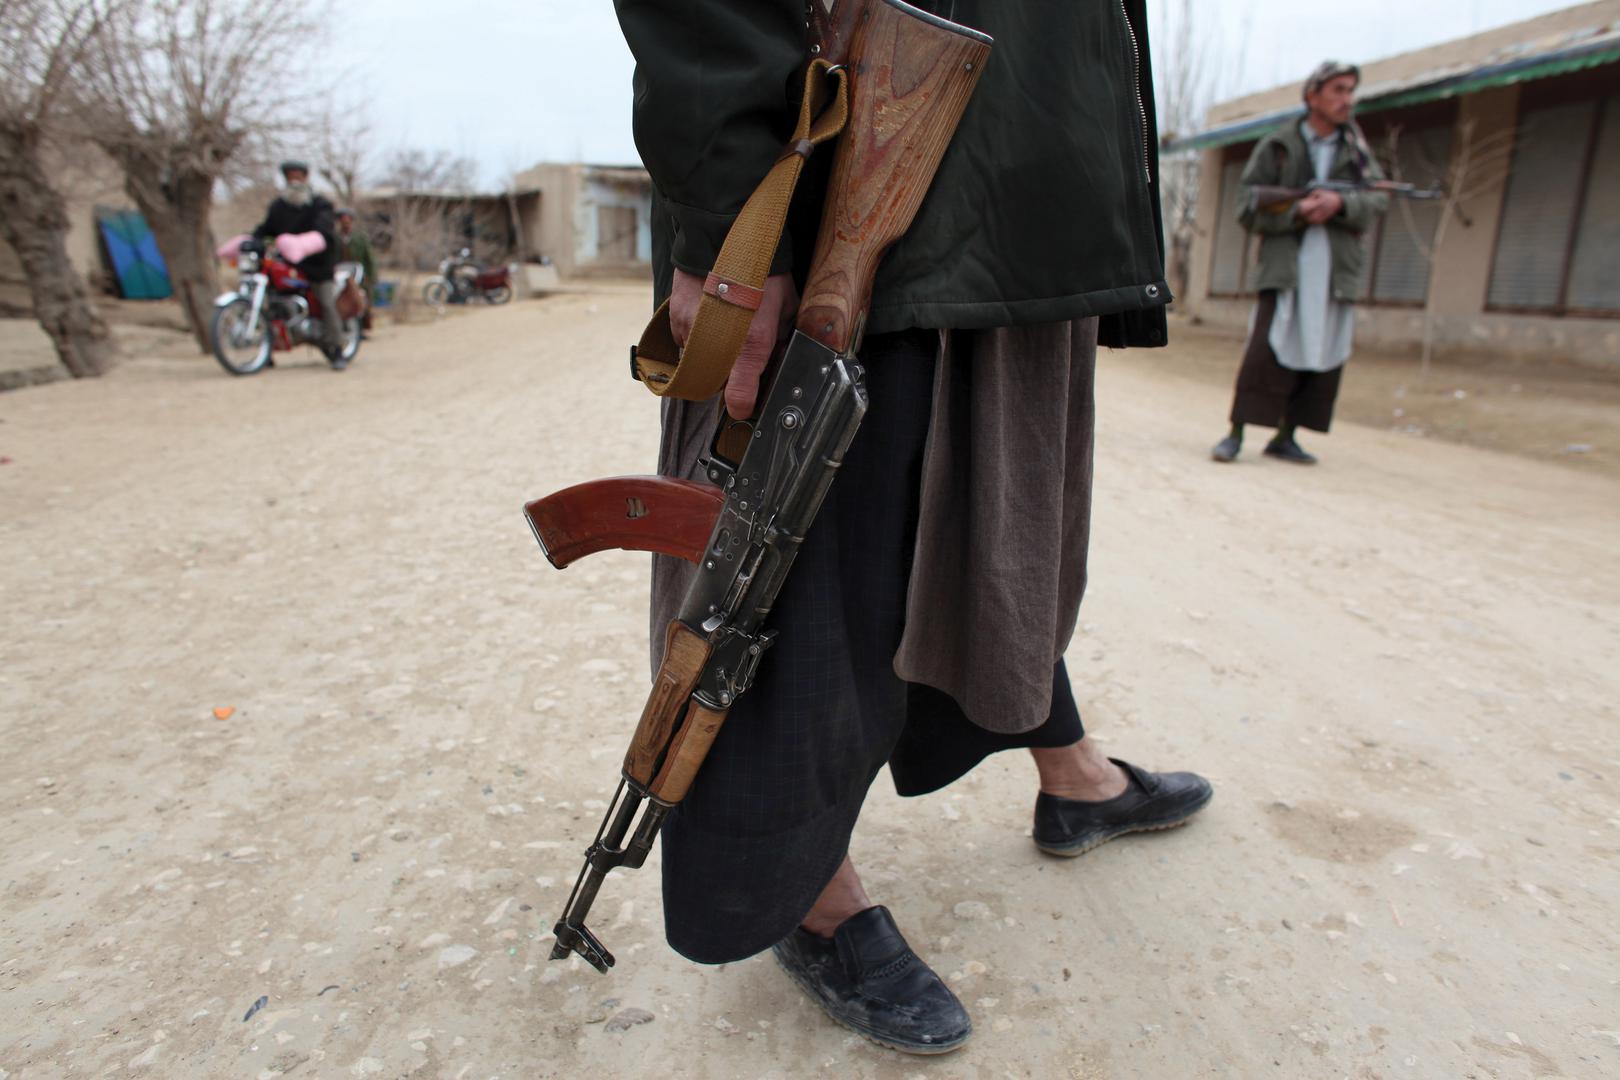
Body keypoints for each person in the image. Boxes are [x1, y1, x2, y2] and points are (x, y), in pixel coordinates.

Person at [615, 0, 1212, 1054]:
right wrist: (731, 214)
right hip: (838, 180)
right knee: (790, 565)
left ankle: (1070, 772)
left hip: (1016, 185)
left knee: (994, 531)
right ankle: (808, 892)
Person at [1210, 61, 1391, 465]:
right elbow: (1247, 205)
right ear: (1313, 96)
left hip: (1334, 270)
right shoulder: (1278, 145)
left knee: (1323, 349)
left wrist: (1340, 203)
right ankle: (1236, 433)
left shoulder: (1355, 151)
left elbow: (1378, 197)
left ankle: (1286, 435)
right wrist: (1297, 212)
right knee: (1265, 350)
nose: (1346, 100)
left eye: (1350, 91)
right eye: (1338, 90)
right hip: (1286, 266)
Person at [252, 160, 345, 368]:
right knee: (270, 301)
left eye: (298, 175)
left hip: (318, 267)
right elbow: (266, 229)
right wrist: (253, 240)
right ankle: (268, 348)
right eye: (290, 175)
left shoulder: (319, 204)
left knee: (326, 303)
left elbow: (325, 232)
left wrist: (304, 244)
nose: (294, 179)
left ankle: (337, 348)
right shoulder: (279, 206)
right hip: (287, 267)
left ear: (305, 177)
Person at [335, 207, 376, 337]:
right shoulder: (336, 237)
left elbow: (369, 258)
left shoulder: (360, 238)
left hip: (358, 274)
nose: (345, 223)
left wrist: (371, 276)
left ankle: (362, 329)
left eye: (347, 221)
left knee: (362, 301)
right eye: (343, 221)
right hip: (341, 274)